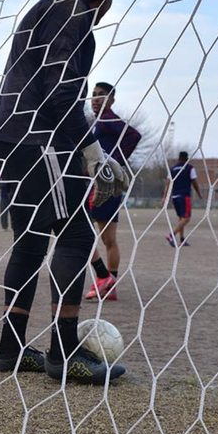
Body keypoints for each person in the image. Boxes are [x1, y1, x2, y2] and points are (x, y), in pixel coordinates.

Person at [0, 0, 128, 384]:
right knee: (76, 234)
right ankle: (64, 353)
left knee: (30, 243)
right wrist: (93, 152)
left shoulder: (45, 6)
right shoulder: (75, 15)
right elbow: (60, 93)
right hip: (41, 139)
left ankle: (11, 349)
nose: (109, 9)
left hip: (12, 136)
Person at [85, 82, 141, 302]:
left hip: (103, 184)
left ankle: (103, 278)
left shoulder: (108, 118)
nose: (96, 99)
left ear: (111, 100)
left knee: (77, 231)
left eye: (102, 95)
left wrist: (112, 162)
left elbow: (133, 136)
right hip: (109, 183)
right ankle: (110, 285)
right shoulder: (99, 122)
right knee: (109, 239)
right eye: (94, 95)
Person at [165, 151, 202, 247]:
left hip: (175, 196)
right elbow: (194, 182)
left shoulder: (173, 169)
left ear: (178, 158)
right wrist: (199, 193)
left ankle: (182, 240)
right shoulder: (189, 168)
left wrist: (164, 197)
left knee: (181, 218)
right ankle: (171, 235)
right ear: (187, 159)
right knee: (186, 219)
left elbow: (168, 183)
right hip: (184, 196)